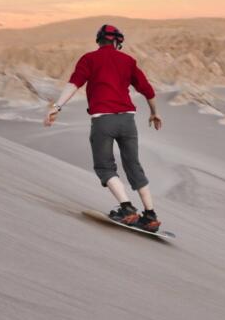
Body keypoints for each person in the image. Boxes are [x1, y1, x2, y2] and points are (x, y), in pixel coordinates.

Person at [44, 24, 163, 231]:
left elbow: (74, 84)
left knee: (105, 167)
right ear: (117, 42)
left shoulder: (89, 59)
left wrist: (57, 107)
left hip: (103, 121)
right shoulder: (128, 61)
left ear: (99, 41)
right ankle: (150, 215)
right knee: (134, 165)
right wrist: (154, 113)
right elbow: (148, 90)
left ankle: (127, 209)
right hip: (128, 120)